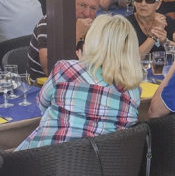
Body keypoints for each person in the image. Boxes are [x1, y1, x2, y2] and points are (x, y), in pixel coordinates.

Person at [17, 15, 143, 150]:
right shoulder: (133, 91)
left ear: (93, 40)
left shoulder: (65, 69)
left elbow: (41, 104)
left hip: (45, 160)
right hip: (99, 166)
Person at [27, 0, 99, 81]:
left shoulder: (95, 25)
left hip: (76, 82)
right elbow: (50, 70)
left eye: (93, 8)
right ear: (70, 2)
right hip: (44, 87)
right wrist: (76, 35)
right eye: (82, 5)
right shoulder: (50, 24)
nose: (87, 13)